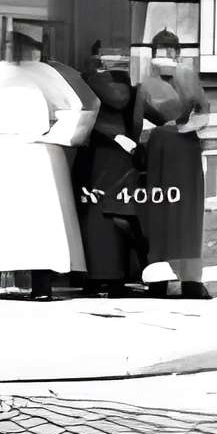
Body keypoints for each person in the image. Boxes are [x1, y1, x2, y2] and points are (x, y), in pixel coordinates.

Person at [0, 24, 97, 300]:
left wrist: (55, 135)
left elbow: (78, 107)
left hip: (36, 151)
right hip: (3, 149)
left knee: (39, 221)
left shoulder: (45, 73)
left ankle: (41, 285)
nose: (16, 52)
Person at [133, 29, 211, 298]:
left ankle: (158, 282)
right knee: (187, 215)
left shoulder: (144, 77)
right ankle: (190, 282)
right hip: (184, 147)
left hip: (157, 148)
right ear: (176, 52)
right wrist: (185, 128)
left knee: (159, 214)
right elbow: (203, 113)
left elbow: (136, 117)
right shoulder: (187, 74)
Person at [76, 45, 146, 294]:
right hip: (125, 158)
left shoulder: (89, 83)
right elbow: (138, 120)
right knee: (121, 212)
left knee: (95, 215)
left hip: (99, 156)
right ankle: (120, 274)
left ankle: (96, 274)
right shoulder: (134, 86)